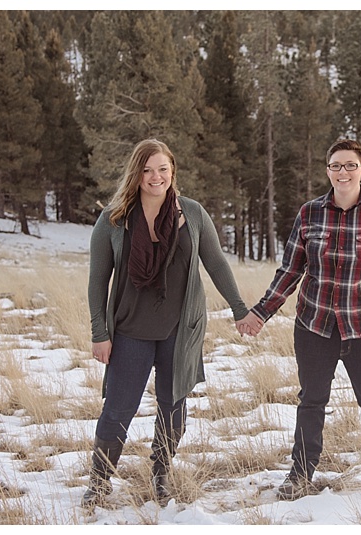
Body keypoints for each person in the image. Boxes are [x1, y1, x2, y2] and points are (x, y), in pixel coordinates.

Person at [236, 139, 361, 503]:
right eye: (335, 166)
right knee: (311, 401)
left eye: (350, 165)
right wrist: (261, 312)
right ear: (327, 171)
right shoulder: (310, 213)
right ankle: (300, 474)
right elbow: (291, 269)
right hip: (315, 325)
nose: (342, 172)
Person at [85, 139, 251, 506]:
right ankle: (99, 481)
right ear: (136, 173)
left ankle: (161, 471)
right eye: (147, 170)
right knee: (117, 409)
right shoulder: (113, 219)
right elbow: (98, 281)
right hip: (129, 332)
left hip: (180, 331)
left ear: (172, 171)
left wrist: (240, 308)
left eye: (162, 169)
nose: (155, 176)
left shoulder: (191, 213)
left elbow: (217, 263)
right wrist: (100, 333)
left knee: (173, 410)